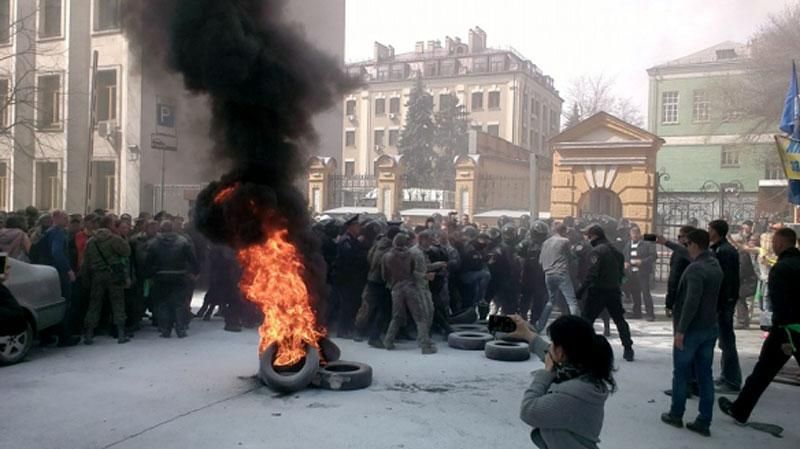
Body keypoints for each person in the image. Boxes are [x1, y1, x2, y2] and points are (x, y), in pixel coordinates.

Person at [719, 227, 800, 424]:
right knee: (762, 372)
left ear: (781, 243)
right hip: (793, 327)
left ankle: (740, 410)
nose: (772, 245)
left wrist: (778, 327)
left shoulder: (782, 268)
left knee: (762, 372)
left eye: (774, 242)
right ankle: (740, 409)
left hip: (786, 330)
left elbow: (778, 302)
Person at [509, 314, 615, 449]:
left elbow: (528, 411)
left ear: (560, 352)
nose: (550, 347)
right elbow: (550, 353)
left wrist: (545, 373)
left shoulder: (570, 395)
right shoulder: (584, 371)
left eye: (553, 343)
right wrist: (527, 334)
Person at [661, 229, 723, 437]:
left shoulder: (696, 269)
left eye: (687, 244)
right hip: (709, 328)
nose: (685, 247)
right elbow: (684, 252)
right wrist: (665, 242)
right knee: (705, 374)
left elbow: (691, 302)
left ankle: (676, 414)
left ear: (695, 245)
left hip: (691, 330)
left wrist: (681, 331)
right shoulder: (713, 263)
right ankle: (704, 420)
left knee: (681, 373)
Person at [577, 224, 634, 362]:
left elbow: (592, 274)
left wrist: (581, 290)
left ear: (594, 236)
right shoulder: (616, 251)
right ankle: (628, 349)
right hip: (613, 290)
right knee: (620, 320)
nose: (587, 238)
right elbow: (621, 273)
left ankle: (580, 350)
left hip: (598, 291)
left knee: (586, 320)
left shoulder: (597, 251)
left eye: (588, 236)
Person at [81, 215, 132, 345]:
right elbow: (127, 252)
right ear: (110, 226)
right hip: (114, 275)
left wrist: (85, 279)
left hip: (97, 276)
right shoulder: (114, 239)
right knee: (118, 303)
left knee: (94, 304)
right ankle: (121, 334)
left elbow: (85, 263)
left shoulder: (91, 241)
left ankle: (89, 334)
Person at [381, 233, 436, 354]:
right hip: (410, 288)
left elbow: (384, 275)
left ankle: (388, 341)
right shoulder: (410, 255)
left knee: (396, 316)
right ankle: (425, 346)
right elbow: (412, 272)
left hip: (396, 288)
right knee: (420, 317)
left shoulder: (387, 256)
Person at [144, 220, 199, 338]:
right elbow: (192, 258)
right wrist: (195, 272)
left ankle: (165, 330)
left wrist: (149, 276)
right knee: (179, 303)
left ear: (161, 229)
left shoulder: (153, 243)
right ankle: (180, 329)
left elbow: (148, 262)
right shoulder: (183, 242)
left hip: (160, 277)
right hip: (179, 276)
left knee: (163, 303)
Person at [708, 220, 742, 393]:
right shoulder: (718, 248)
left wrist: (724, 301)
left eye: (710, 229)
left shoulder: (726, 251)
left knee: (727, 340)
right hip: (723, 300)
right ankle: (726, 375)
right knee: (724, 339)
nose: (708, 232)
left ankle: (732, 380)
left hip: (724, 301)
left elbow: (727, 279)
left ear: (716, 232)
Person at [536, 223, 578, 332]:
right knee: (572, 301)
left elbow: (540, 261)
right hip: (561, 272)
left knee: (551, 301)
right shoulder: (565, 241)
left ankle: (540, 326)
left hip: (548, 274)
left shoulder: (545, 242)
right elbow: (571, 256)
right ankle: (576, 328)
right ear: (564, 231)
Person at [332, 214, 369, 339]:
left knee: (352, 304)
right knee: (346, 305)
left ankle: (348, 328)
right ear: (351, 227)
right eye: (357, 226)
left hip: (354, 278)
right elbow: (350, 258)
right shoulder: (346, 240)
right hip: (346, 278)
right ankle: (343, 330)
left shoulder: (354, 240)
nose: (359, 228)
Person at [657, 226, 694, 317]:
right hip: (682, 292)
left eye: (680, 236)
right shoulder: (681, 251)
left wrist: (669, 303)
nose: (678, 239)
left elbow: (674, 277)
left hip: (683, 293)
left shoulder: (687, 252)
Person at [623, 226, 657, 321]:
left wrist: (642, 261)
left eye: (636, 233)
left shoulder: (646, 244)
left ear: (639, 234)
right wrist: (625, 262)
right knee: (635, 293)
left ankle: (650, 314)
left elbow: (653, 256)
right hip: (631, 273)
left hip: (643, 272)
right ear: (630, 235)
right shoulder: (627, 245)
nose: (634, 236)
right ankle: (637, 312)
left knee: (645, 293)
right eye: (633, 234)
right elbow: (625, 256)